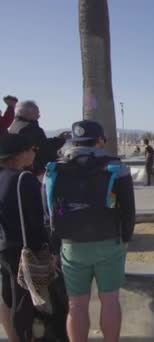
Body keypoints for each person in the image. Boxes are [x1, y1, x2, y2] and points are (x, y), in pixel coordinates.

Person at [45, 120, 135, 342]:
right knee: (110, 300)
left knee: (76, 305)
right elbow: (129, 210)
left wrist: (55, 248)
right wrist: (125, 238)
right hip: (109, 242)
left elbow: (49, 213)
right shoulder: (117, 167)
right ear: (100, 141)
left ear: (73, 142)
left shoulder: (55, 169)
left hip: (72, 245)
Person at [0, 134, 68, 341]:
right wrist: (48, 250)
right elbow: (36, 222)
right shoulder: (24, 179)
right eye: (32, 149)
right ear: (20, 154)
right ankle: (24, 336)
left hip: (4, 247)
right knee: (23, 300)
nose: (34, 153)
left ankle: (14, 337)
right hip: (24, 249)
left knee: (8, 297)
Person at [8, 100, 66, 176]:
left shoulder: (12, 127)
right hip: (34, 172)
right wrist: (61, 140)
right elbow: (45, 149)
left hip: (15, 171)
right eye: (37, 112)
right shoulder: (30, 128)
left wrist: (57, 139)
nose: (39, 116)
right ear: (28, 113)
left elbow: (39, 143)